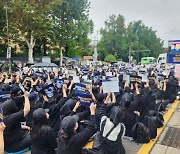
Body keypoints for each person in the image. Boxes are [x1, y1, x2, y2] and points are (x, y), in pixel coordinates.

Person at [0, 87, 31, 153]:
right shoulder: (9, 118)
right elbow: (27, 110)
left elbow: (15, 125)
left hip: (9, 140)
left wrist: (27, 127)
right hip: (11, 146)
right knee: (35, 136)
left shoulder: (3, 119)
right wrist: (26, 97)